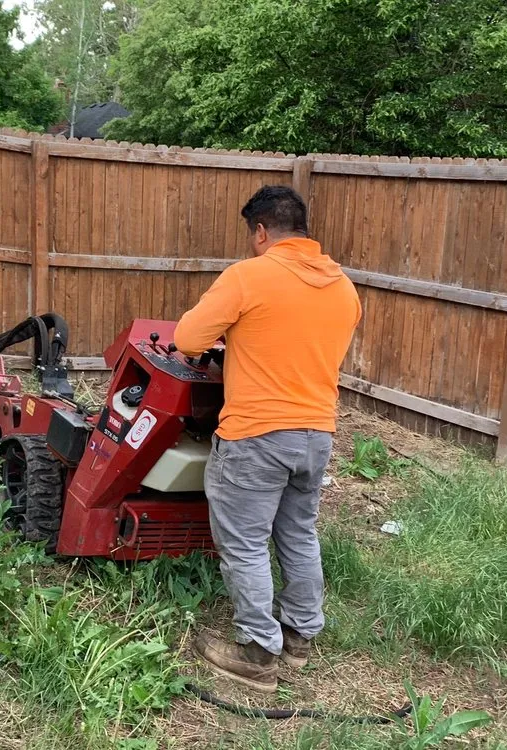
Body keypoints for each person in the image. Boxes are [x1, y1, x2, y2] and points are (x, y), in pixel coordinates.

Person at [173, 185, 361, 693]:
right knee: (298, 533)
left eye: (251, 236)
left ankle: (257, 653)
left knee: (245, 542)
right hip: (317, 432)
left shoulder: (250, 276)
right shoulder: (343, 286)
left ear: (261, 231)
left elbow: (189, 340)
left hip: (257, 433)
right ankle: (300, 637)